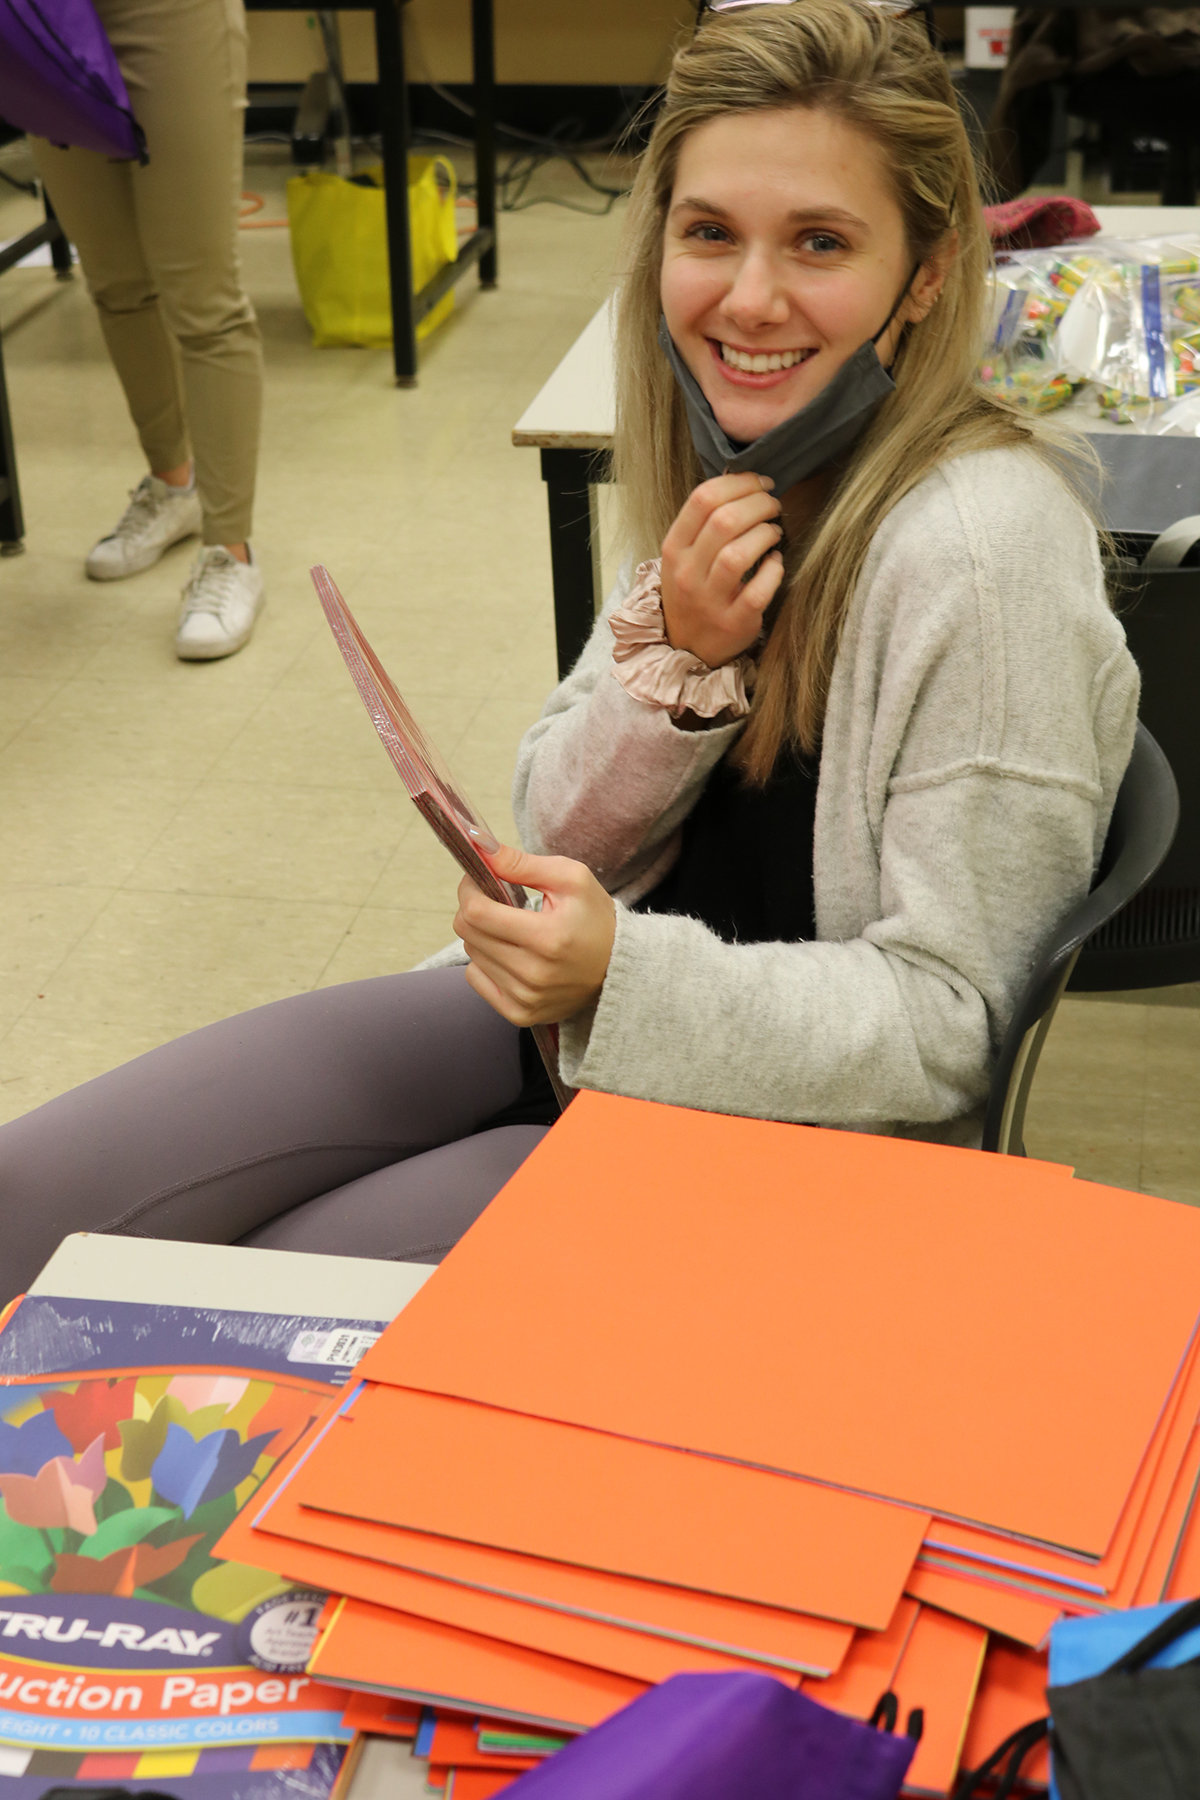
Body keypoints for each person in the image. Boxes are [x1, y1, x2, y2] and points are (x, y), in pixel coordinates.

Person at [0, 0, 1138, 1300]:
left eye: (820, 242)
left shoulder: (987, 555)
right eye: (709, 233)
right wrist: (681, 676)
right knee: (43, 1195)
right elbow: (555, 826)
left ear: (925, 274)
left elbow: (951, 1029)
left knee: (244, 1299)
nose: (748, 298)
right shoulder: (749, 456)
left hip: (777, 1135)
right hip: (579, 1032)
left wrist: (619, 976)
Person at [30, 0, 266, 660]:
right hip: (42, 12)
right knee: (114, 281)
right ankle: (173, 487)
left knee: (203, 298)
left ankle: (231, 549)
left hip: (169, 11)